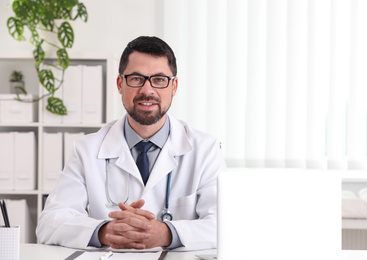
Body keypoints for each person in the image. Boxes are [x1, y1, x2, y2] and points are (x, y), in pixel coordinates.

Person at [36, 36, 226, 250]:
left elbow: (225, 225)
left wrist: (167, 233)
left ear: (174, 86)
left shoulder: (205, 150)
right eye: (136, 79)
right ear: (120, 84)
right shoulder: (87, 149)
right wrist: (104, 231)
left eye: (159, 79)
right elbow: (49, 223)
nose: (147, 90)